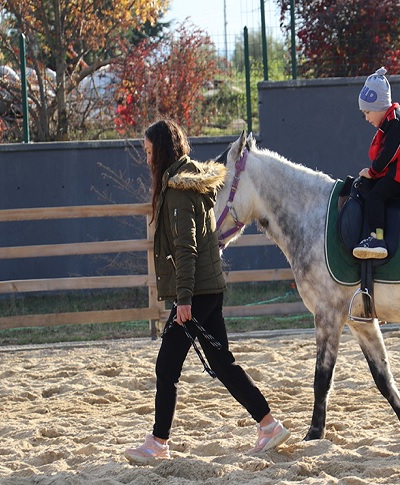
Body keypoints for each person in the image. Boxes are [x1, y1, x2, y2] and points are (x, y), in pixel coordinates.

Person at [124, 120, 290, 464]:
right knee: (222, 363)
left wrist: (183, 299)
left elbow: (186, 248)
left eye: (149, 151)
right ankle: (269, 424)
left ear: (162, 150)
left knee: (166, 366)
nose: (147, 158)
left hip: (196, 293)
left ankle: (157, 442)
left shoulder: (179, 190)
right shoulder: (191, 183)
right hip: (208, 288)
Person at [353, 67, 400, 260]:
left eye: (367, 112)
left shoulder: (397, 121)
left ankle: (378, 239)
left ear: (379, 107)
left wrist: (373, 172)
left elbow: (388, 154)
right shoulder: (389, 121)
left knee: (376, 196)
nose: (366, 118)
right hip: (393, 171)